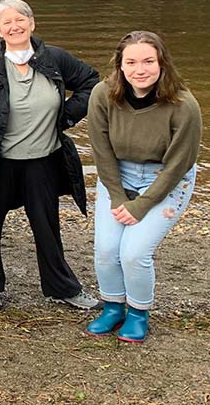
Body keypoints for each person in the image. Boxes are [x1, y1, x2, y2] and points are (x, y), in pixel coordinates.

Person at [0, 0, 101, 312]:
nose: (14, 26)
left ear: (32, 23)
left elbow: (92, 83)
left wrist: (65, 117)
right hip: (2, 163)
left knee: (46, 225)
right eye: (6, 23)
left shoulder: (53, 58)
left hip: (44, 160)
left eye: (19, 20)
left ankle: (61, 288)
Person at [84, 31, 202, 343]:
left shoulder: (184, 105)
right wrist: (118, 196)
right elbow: (101, 150)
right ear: (120, 66)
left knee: (134, 253)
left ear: (162, 63)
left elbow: (179, 164)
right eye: (132, 62)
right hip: (116, 174)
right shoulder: (102, 95)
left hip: (165, 176)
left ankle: (138, 312)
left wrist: (142, 204)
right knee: (107, 250)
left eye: (149, 61)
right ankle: (112, 306)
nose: (140, 69)